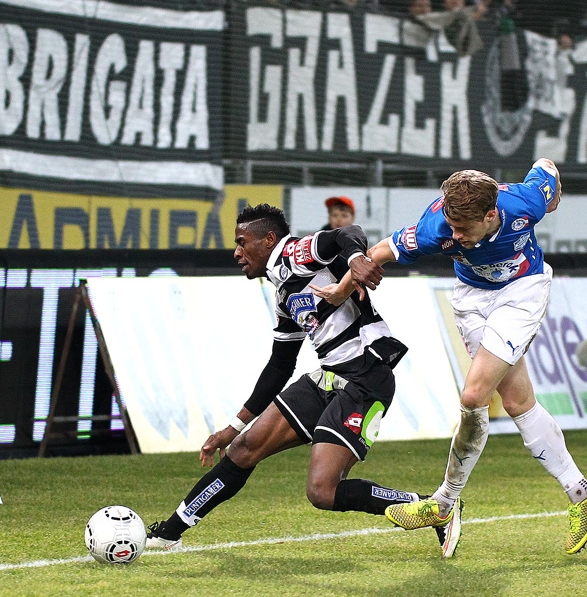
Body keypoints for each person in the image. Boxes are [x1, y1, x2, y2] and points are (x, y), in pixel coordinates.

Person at [315, 160, 587, 555]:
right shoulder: (437, 224)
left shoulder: (524, 203)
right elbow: (378, 253)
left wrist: (553, 196)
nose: (453, 236)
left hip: (522, 293)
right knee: (519, 403)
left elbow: (546, 167)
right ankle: (581, 494)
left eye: (463, 229)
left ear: (491, 216)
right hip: (471, 300)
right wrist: (342, 289)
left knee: (473, 397)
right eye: (451, 227)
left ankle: (443, 502)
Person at [145, 204, 459, 556]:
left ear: (268, 240)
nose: (236, 252)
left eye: (241, 242)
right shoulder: (282, 294)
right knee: (243, 449)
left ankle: (434, 508)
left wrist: (355, 258)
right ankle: (168, 534)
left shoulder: (293, 255)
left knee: (322, 491)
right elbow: (280, 367)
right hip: (327, 377)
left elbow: (346, 234)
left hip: (364, 381)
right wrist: (232, 428)